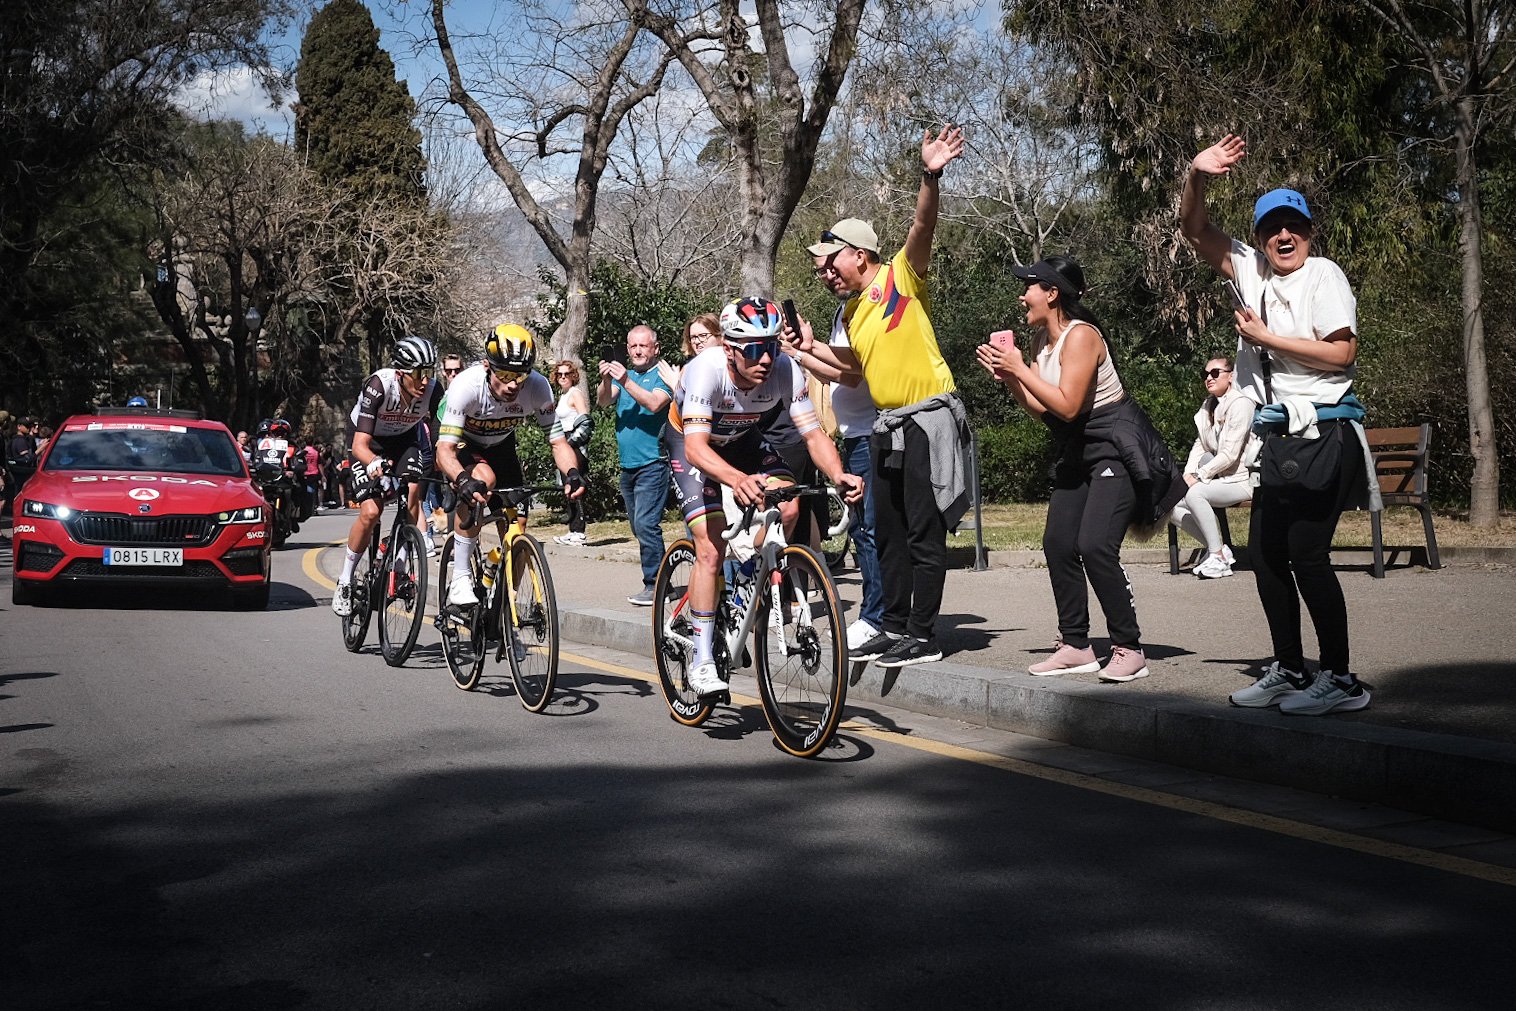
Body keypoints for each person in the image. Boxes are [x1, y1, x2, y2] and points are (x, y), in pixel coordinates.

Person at [1180, 133, 1376, 716]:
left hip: (1324, 436)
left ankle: (1341, 680)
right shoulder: (1249, 270)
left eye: (1293, 227)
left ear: (1309, 233)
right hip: (1279, 443)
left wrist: (1265, 338)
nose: (1283, 237)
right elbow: (1194, 230)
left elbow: (1342, 355)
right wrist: (1197, 174)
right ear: (1261, 239)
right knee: (1266, 556)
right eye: (1271, 229)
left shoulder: (1324, 276)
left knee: (1308, 554)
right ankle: (1290, 668)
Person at [791, 125, 969, 672]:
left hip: (927, 419)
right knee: (887, 530)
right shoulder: (849, 312)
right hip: (887, 424)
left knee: (922, 528)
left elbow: (922, 224)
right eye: (820, 264)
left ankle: (925, 633)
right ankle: (893, 625)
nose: (823, 271)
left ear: (861, 255)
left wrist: (930, 174)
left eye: (831, 260)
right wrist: (810, 348)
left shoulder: (898, 278)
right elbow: (854, 371)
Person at [977, 255, 1182, 684]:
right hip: (1077, 449)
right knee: (1057, 543)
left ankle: (1129, 647)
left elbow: (1069, 403)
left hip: (1114, 447)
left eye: (1029, 286)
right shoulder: (1039, 344)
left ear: (1052, 294)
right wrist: (1013, 376)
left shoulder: (1082, 337)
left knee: (1094, 546)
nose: (1022, 295)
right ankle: (1076, 646)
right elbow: (1043, 410)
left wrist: (1018, 370)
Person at [664, 296, 864, 697]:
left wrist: (839, 474)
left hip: (742, 438)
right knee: (709, 549)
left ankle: (747, 581)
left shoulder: (785, 368)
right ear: (730, 349)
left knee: (788, 505)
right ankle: (703, 658)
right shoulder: (706, 370)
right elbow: (696, 450)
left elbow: (812, 435)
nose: (766, 359)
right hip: (691, 444)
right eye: (755, 350)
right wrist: (737, 480)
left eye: (772, 347)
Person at [436, 324, 585, 608]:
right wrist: (462, 479)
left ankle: (503, 607)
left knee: (518, 525)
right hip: (460, 439)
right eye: (504, 374)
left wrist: (572, 473)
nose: (513, 384)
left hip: (500, 441)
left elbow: (558, 442)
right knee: (483, 481)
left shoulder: (538, 387)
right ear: (486, 366)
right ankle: (460, 576)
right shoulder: (466, 386)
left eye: (520, 376)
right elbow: (445, 451)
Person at [331, 336, 442, 617]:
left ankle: (400, 562)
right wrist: (374, 462)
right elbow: (359, 445)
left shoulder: (432, 390)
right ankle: (345, 579)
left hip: (405, 440)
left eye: (429, 373)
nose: (425, 381)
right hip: (369, 441)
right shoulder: (379, 386)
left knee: (413, 492)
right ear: (401, 374)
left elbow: (441, 434)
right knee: (371, 510)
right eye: (418, 374)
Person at [596, 324, 673, 606]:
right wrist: (606, 379)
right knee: (638, 526)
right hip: (628, 466)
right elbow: (604, 401)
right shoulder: (621, 377)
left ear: (655, 348)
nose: (638, 351)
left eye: (643, 346)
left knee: (646, 523)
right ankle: (661, 581)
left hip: (654, 462)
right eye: (633, 346)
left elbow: (655, 404)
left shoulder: (662, 374)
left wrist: (626, 380)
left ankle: (656, 585)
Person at [1170, 356, 1259, 578]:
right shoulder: (1208, 406)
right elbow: (1200, 445)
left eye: (1215, 373)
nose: (1209, 378)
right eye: (1205, 375)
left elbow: (1230, 453)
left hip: (1244, 481)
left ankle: (1217, 557)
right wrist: (1187, 475)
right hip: (1222, 480)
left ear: (1231, 376)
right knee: (1169, 504)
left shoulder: (1241, 404)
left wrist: (1199, 476)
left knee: (1196, 493)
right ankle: (1219, 551)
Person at [551, 360, 593, 546]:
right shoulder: (563, 395)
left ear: (573, 375)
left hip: (574, 442)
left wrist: (570, 443)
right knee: (567, 486)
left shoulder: (575, 393)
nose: (563, 377)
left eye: (566, 374)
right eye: (559, 374)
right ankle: (573, 529)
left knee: (575, 485)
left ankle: (579, 531)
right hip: (564, 440)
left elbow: (585, 420)